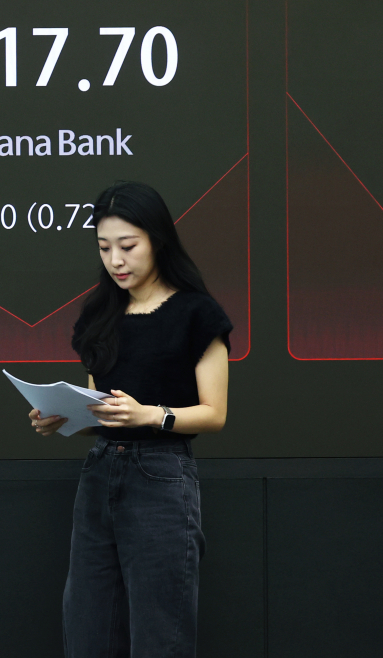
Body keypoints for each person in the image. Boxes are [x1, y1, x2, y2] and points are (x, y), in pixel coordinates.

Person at [28, 181, 231, 658]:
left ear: (157, 240)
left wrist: (149, 414)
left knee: (161, 636)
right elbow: (102, 401)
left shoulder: (197, 313)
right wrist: (63, 414)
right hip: (99, 473)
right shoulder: (101, 312)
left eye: (128, 246)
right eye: (104, 248)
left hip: (161, 476)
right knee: (86, 631)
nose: (116, 260)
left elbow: (214, 413)